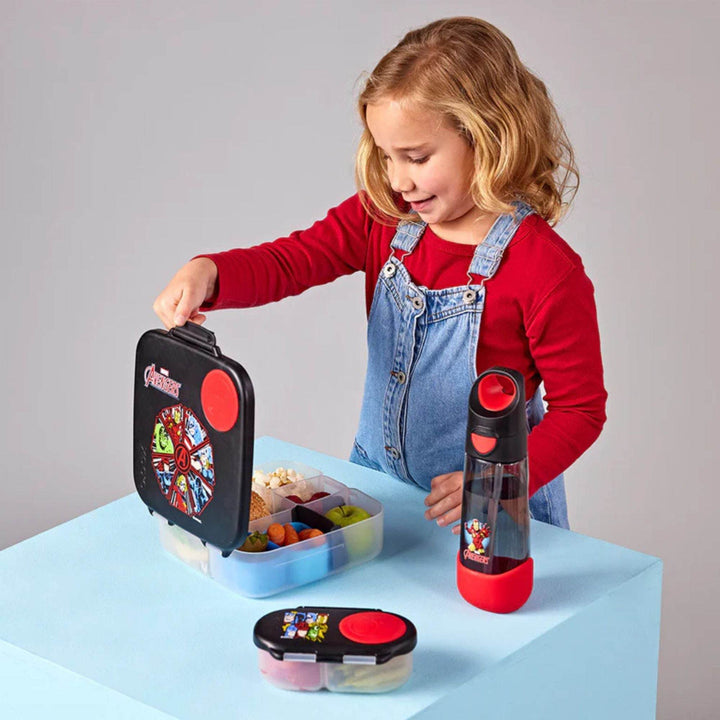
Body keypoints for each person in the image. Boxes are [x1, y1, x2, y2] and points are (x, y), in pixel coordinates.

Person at [153, 17, 607, 531]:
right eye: (386, 156)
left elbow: (580, 410)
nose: (397, 180)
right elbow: (291, 260)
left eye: (416, 157)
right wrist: (210, 272)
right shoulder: (385, 217)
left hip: (490, 509)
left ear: (488, 135)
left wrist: (498, 480)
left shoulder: (545, 270)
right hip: (378, 486)